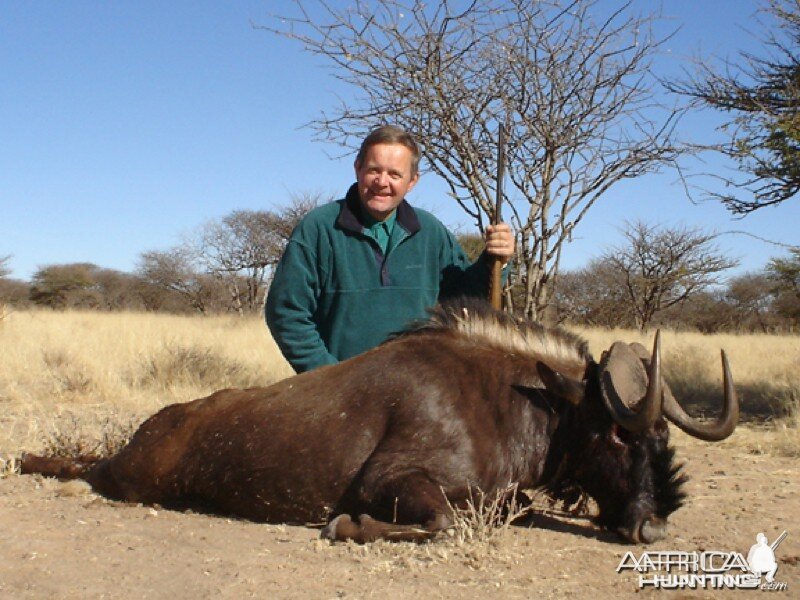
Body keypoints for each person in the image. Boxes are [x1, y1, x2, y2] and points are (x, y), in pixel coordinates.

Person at [265, 125, 515, 373]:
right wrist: (329, 377)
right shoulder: (318, 228)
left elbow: (467, 298)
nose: (382, 182)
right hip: (340, 395)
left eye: (394, 174)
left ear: (412, 181)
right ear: (357, 169)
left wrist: (496, 261)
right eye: (374, 170)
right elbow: (286, 313)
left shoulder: (430, 231)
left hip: (417, 393)